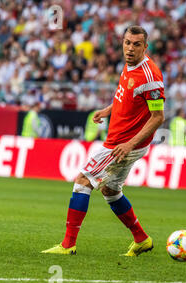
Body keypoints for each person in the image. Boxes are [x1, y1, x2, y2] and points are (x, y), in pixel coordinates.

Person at [42, 26, 165, 256]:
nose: (130, 48)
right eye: (127, 42)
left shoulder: (151, 77)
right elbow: (126, 97)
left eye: (136, 44)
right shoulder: (129, 66)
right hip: (122, 141)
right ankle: (142, 239)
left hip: (124, 144)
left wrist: (129, 144)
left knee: (82, 181)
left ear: (145, 47)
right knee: (110, 189)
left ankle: (68, 245)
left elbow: (158, 117)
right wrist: (108, 110)